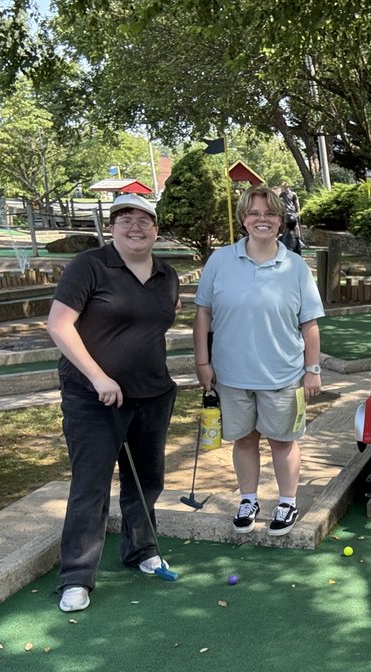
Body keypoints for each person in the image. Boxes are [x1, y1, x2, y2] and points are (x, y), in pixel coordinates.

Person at [45, 194, 179, 613]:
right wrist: (98, 376)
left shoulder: (166, 274)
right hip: (93, 397)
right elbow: (59, 325)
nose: (135, 227)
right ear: (112, 227)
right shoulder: (89, 266)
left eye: (144, 220)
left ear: (156, 229)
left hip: (152, 393)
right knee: (91, 486)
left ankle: (141, 549)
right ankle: (77, 576)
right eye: (125, 219)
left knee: (146, 481)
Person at [193, 184, 324, 536]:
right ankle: (248, 500)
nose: (261, 219)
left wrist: (312, 370)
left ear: (281, 220)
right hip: (231, 375)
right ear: (243, 219)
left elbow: (309, 324)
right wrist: (202, 363)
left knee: (283, 441)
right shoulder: (220, 260)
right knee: (244, 440)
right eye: (254, 213)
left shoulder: (296, 266)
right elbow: (203, 314)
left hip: (283, 374)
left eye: (270, 214)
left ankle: (287, 502)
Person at [278, 182, 302, 251]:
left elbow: (297, 204)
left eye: (283, 187)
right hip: (286, 212)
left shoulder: (293, 194)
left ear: (287, 187)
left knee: (296, 225)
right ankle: (286, 238)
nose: (283, 189)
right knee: (285, 225)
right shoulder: (282, 194)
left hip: (293, 212)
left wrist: (298, 212)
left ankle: (299, 239)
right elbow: (278, 201)